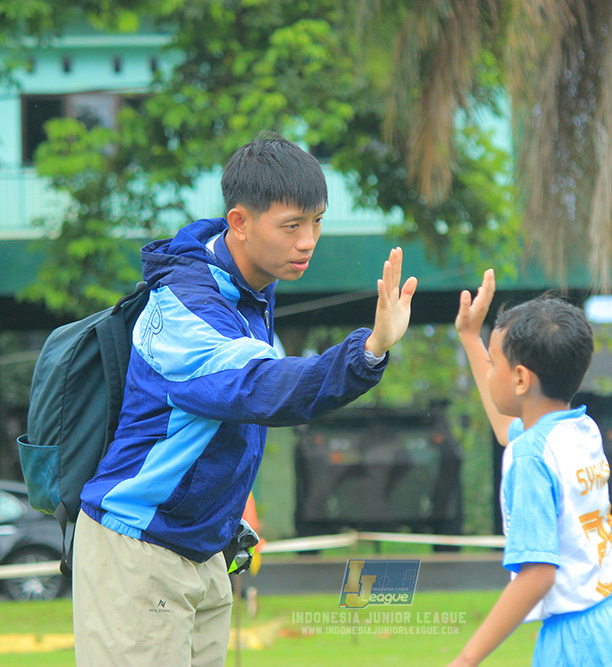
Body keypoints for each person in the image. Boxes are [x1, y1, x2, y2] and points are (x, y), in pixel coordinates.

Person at [72, 132, 417, 666]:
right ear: (239, 222)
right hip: (139, 549)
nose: (309, 241)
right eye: (291, 226)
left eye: (317, 221)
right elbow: (261, 388)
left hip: (205, 549)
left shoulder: (251, 292)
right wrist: (368, 350)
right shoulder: (185, 307)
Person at [449, 269, 612, 666]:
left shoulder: (531, 456)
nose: (489, 374)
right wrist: (471, 337)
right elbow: (506, 429)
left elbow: (538, 575)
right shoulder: (579, 428)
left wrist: (465, 660)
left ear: (521, 378)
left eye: (494, 365)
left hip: (579, 640)